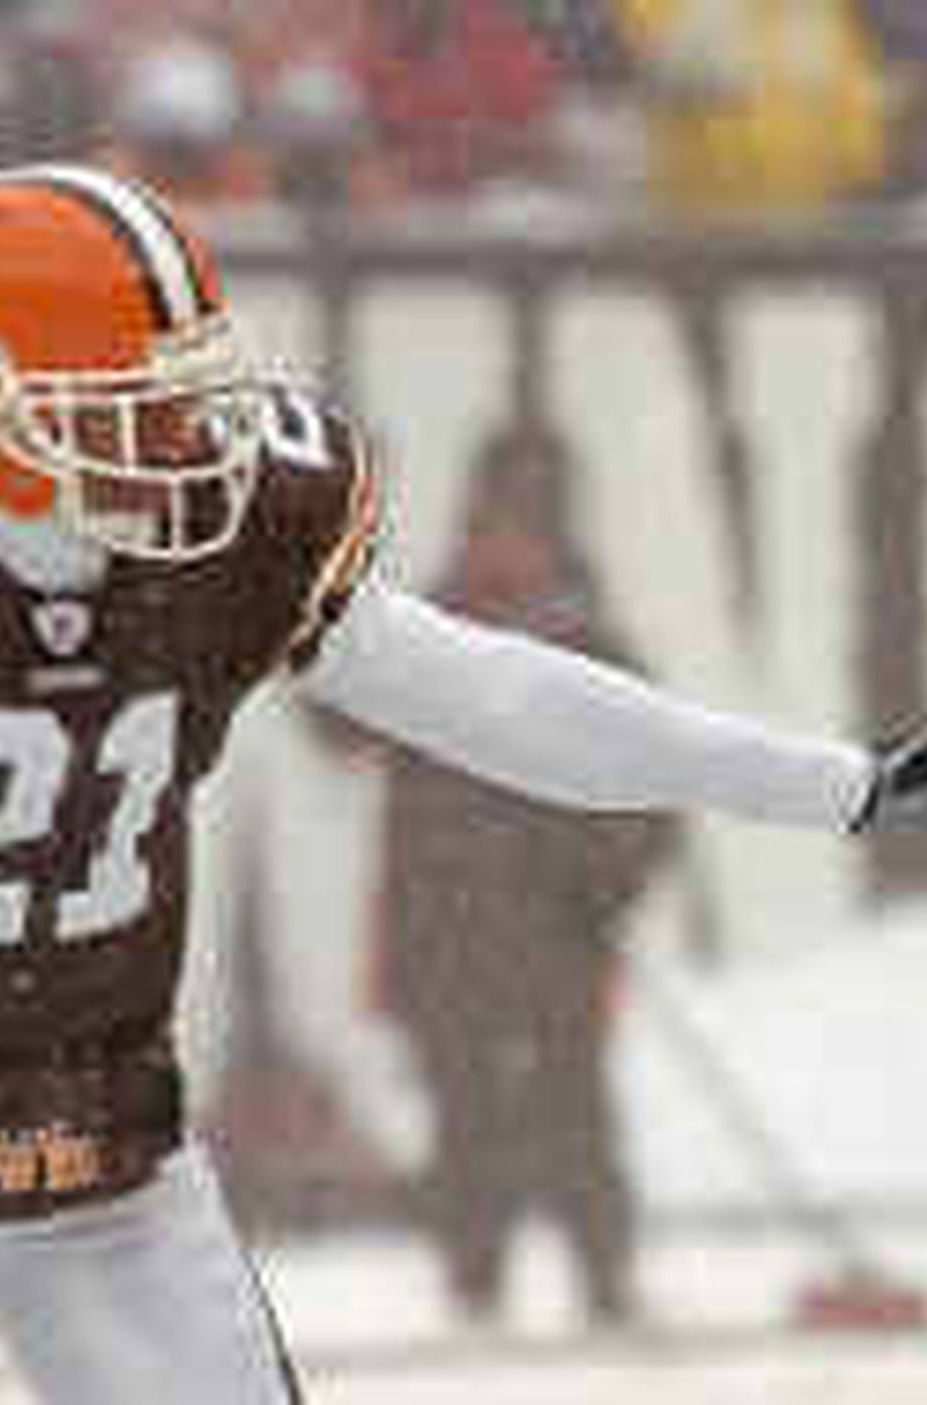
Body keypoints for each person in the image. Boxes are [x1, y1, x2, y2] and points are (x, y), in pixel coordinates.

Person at [0, 161, 927, 1404]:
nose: (190, 446)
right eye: (134, 410)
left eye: (191, 398)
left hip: (101, 1143)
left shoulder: (234, 540)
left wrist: (832, 783)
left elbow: (495, 695)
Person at [367, 449, 675, 1330]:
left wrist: (609, 881)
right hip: (444, 927)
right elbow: (339, 727)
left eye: (518, 531)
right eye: (487, 529)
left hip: (559, 931)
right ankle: (474, 1283)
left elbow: (659, 784)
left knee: (573, 1107)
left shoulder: (592, 647)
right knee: (466, 1114)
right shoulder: (417, 637)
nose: (501, 550)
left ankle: (605, 1276)